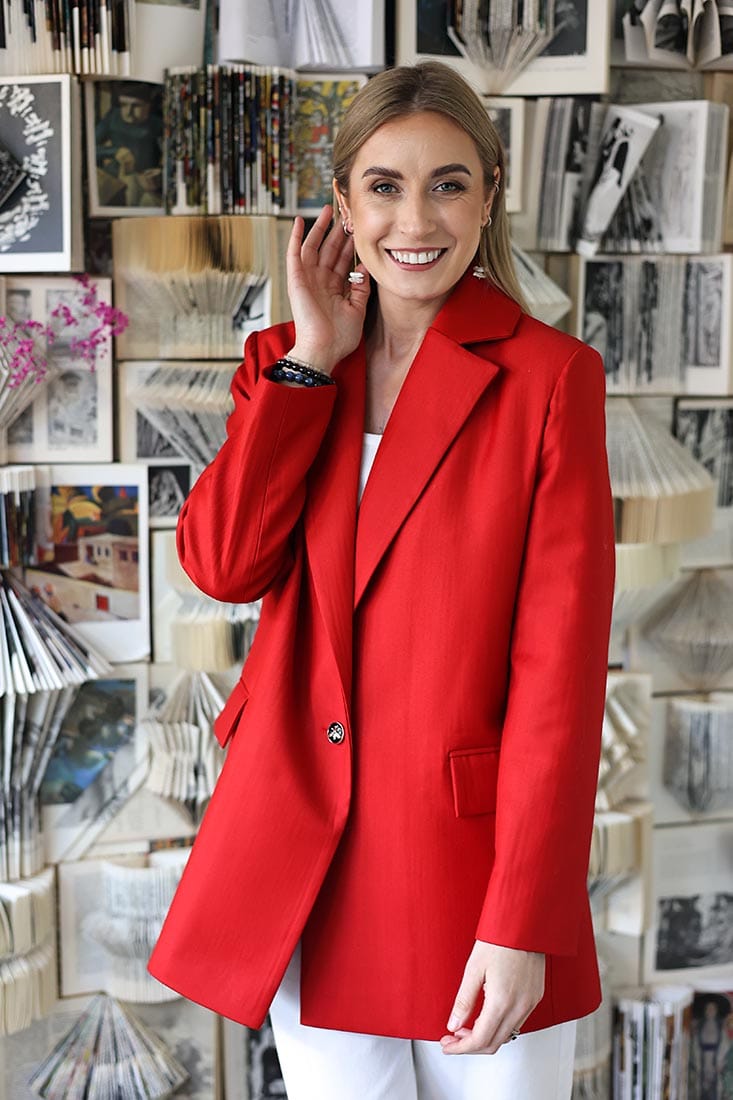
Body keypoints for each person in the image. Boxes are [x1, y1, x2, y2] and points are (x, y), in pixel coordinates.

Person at [148, 61, 615, 1100]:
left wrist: (521, 919)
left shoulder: (551, 378)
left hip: (468, 867)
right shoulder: (286, 361)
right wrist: (314, 359)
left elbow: (560, 673)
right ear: (344, 204)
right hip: (301, 850)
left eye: (447, 184)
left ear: (489, 193)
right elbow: (223, 565)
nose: (415, 219)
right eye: (384, 186)